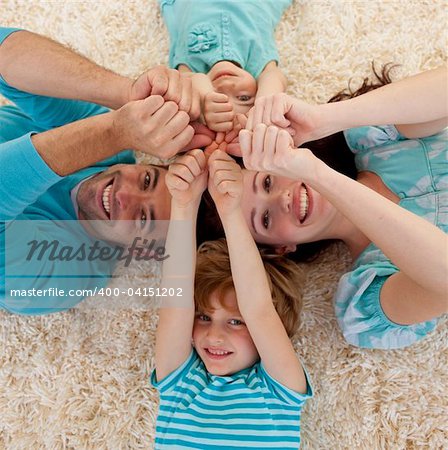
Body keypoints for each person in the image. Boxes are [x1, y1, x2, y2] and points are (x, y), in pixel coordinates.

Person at [0, 27, 214, 314]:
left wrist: (115, 132)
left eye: (143, 218)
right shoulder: (112, 151)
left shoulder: (67, 274)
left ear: (143, 251)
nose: (125, 195)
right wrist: (128, 95)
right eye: (147, 180)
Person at [234, 66, 448, 350]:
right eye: (265, 219)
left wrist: (322, 120)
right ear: (281, 247)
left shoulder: (376, 142)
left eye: (268, 181)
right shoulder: (367, 297)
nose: (281, 200)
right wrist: (315, 173)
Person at [152, 148, 312, 448]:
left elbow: (259, 308)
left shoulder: (280, 389)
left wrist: (231, 211)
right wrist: (184, 206)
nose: (214, 335)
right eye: (203, 317)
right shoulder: (180, 383)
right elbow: (175, 304)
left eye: (237, 321)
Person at [158, 0, 291, 132]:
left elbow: (187, 80)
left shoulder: (194, 67)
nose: (226, 85)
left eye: (217, 94)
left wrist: (204, 99)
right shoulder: (257, 64)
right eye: (243, 98)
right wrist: (265, 107)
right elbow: (274, 76)